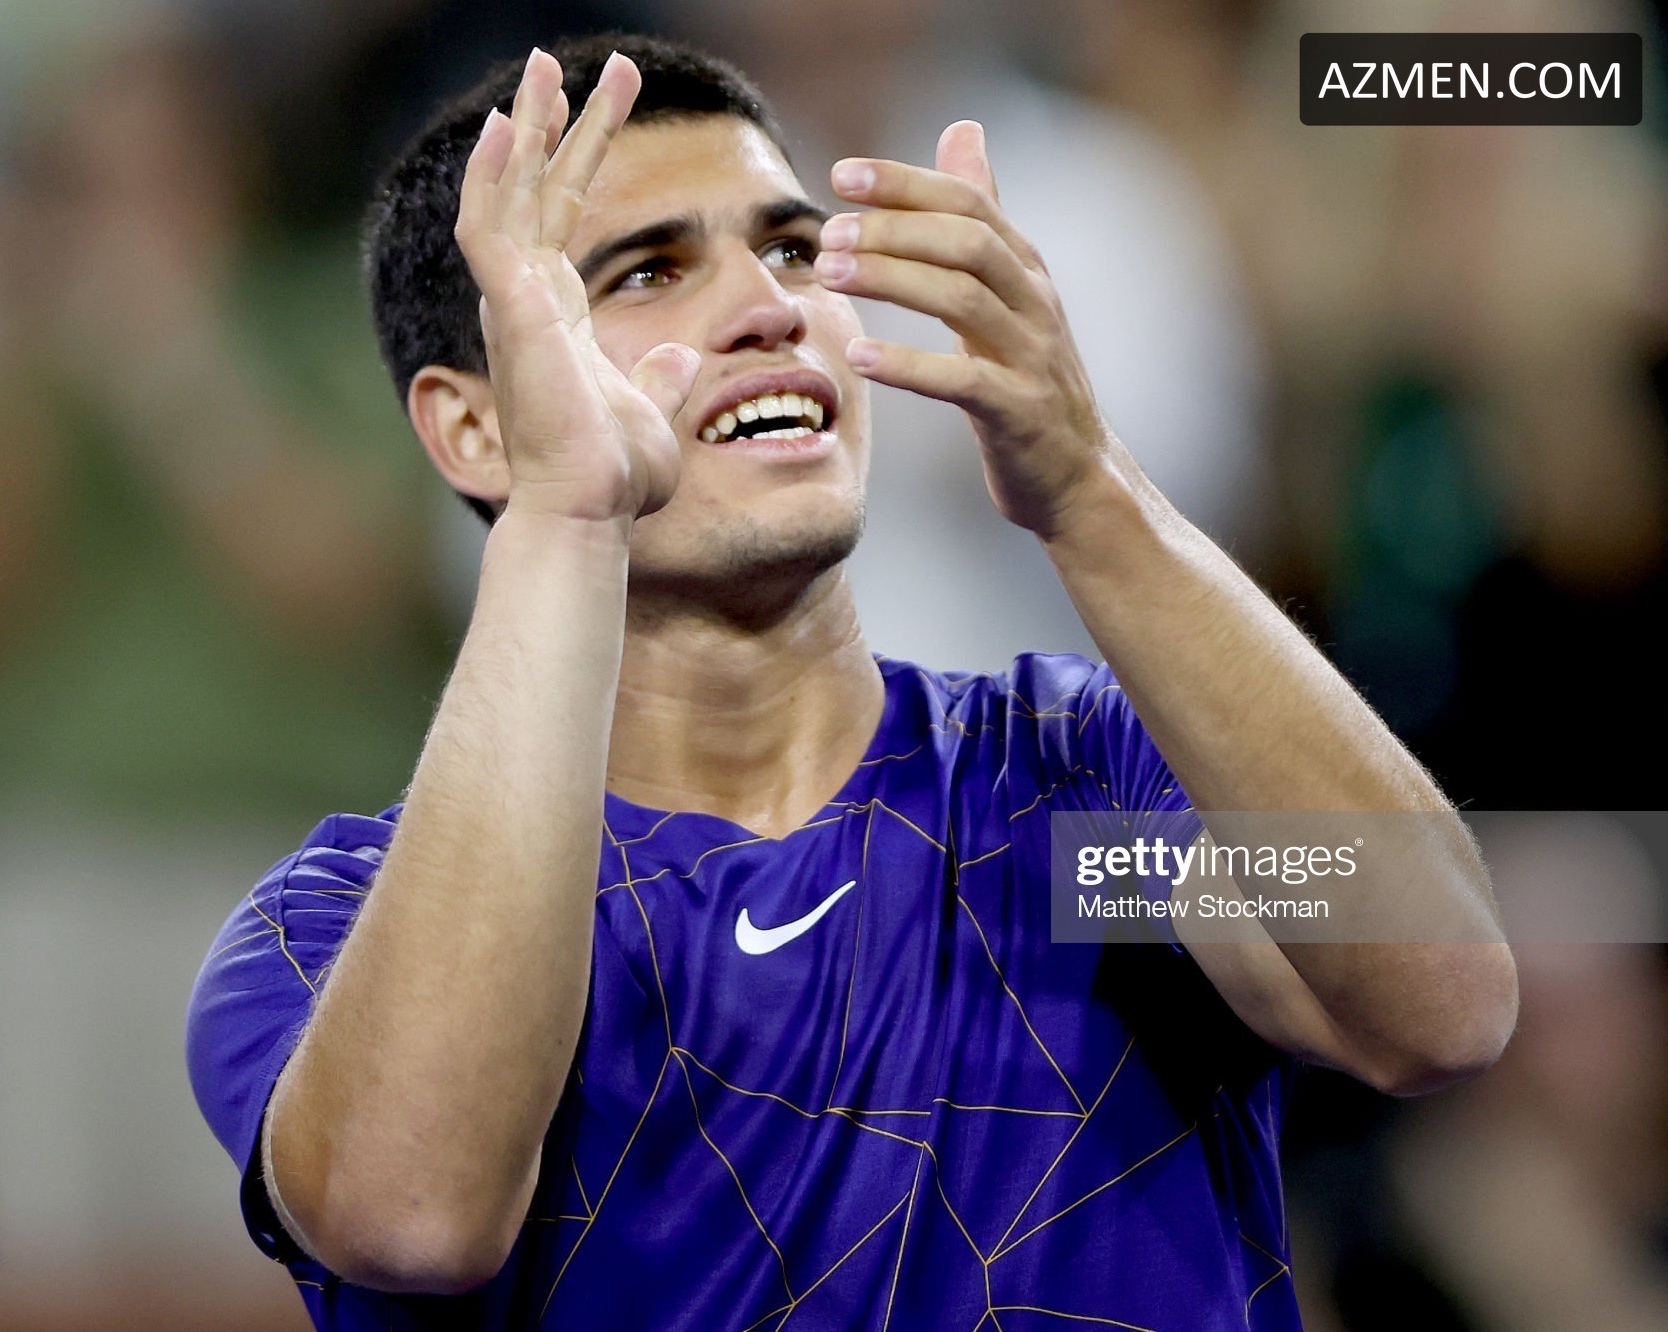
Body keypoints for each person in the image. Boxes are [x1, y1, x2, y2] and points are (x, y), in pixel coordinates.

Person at [185, 32, 1517, 1329]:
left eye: (789, 249)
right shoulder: (328, 928)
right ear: (474, 426)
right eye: (648, 273)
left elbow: (1441, 998)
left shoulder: (1074, 821)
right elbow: (415, 1215)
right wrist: (565, 513)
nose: (772, 308)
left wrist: (1088, 489)